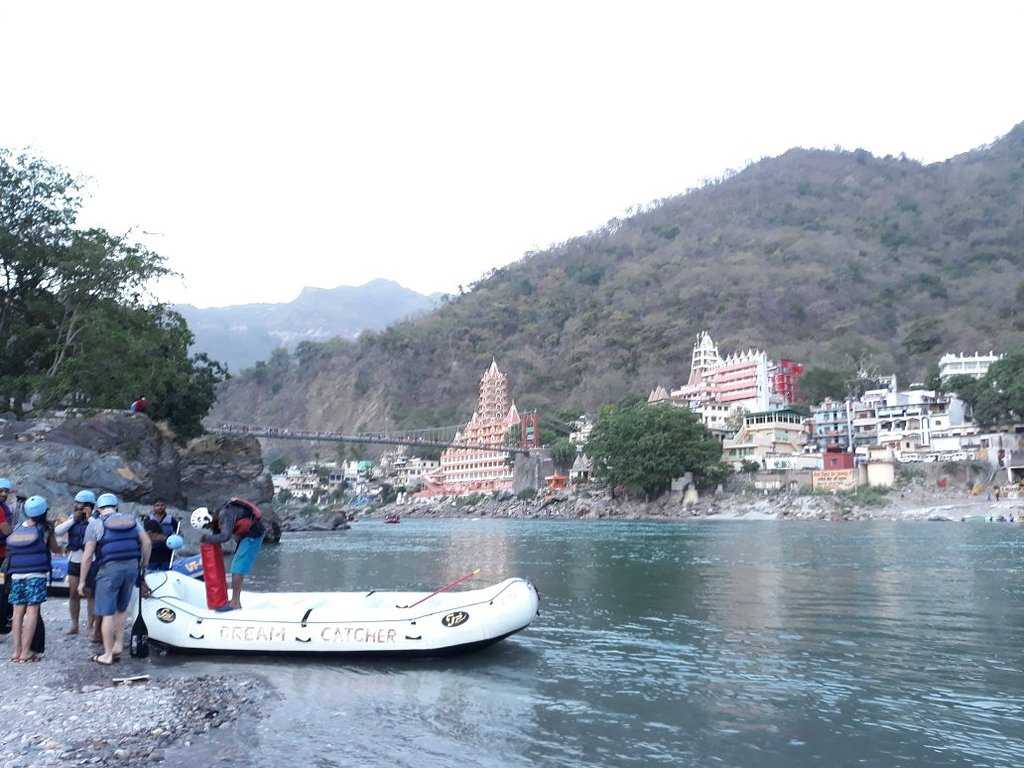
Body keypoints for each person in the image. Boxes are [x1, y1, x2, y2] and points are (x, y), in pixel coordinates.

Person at [78, 493, 151, 665]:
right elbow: (147, 543)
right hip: (132, 567)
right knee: (121, 609)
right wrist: (143, 567)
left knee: (107, 613)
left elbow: (87, 556)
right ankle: (118, 645)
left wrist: (82, 581)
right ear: (116, 507)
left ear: (98, 509)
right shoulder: (132, 520)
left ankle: (108, 654)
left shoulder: (95, 524)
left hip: (109, 569)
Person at [6, 496, 60, 662]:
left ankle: (15, 651)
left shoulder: (17, 528)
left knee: (17, 612)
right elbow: (55, 548)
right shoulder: (45, 529)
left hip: (16, 574)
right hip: (36, 575)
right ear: (44, 512)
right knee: (32, 611)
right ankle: (26, 652)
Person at [194, 498, 265, 611]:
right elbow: (218, 535)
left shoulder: (224, 514)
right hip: (245, 534)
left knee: (237, 567)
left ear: (208, 518)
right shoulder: (217, 517)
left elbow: (225, 537)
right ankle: (234, 601)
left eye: (206, 526)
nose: (208, 528)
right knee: (236, 566)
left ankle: (235, 603)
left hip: (253, 535)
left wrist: (205, 538)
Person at [54, 491, 96, 634]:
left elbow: (99, 531)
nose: (78, 507)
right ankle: (74, 624)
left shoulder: (96, 520)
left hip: (91, 560)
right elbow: (58, 531)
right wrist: (73, 520)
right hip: (74, 559)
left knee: (90, 594)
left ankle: (91, 625)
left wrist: (89, 517)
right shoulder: (73, 518)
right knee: (73, 593)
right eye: (77, 504)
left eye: (81, 505)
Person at [142, 500, 178, 572]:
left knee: (167, 574)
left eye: (162, 505)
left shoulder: (171, 520)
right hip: (152, 552)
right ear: (153, 507)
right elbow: (144, 534)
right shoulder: (148, 519)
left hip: (167, 552)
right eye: (157, 505)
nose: (160, 507)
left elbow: (178, 533)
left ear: (165, 506)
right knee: (151, 574)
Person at [0, 479, 14, 634]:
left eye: (6, 491)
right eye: (1, 491)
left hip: (3, 555)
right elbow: (5, 530)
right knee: (1, 589)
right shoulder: (1, 509)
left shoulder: (4, 508)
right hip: (2, 558)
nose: (4, 494)